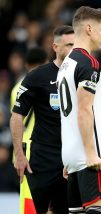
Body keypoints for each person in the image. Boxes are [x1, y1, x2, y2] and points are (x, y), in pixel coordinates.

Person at [10, 25, 74, 214]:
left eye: (75, 45)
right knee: (35, 210)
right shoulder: (37, 77)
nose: (73, 50)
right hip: (42, 157)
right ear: (55, 47)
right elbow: (16, 115)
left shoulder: (81, 76)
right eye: (68, 45)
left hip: (70, 157)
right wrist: (19, 155)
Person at [56, 6, 101, 214]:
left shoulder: (66, 64)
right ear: (89, 29)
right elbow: (83, 110)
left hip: (71, 155)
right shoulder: (88, 62)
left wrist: (69, 156)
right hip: (92, 156)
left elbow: (66, 115)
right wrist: (90, 153)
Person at [9, 47, 48, 214]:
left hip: (21, 150)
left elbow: (16, 120)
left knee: (27, 203)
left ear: (26, 64)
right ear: (46, 63)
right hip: (42, 149)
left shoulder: (17, 87)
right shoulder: (49, 84)